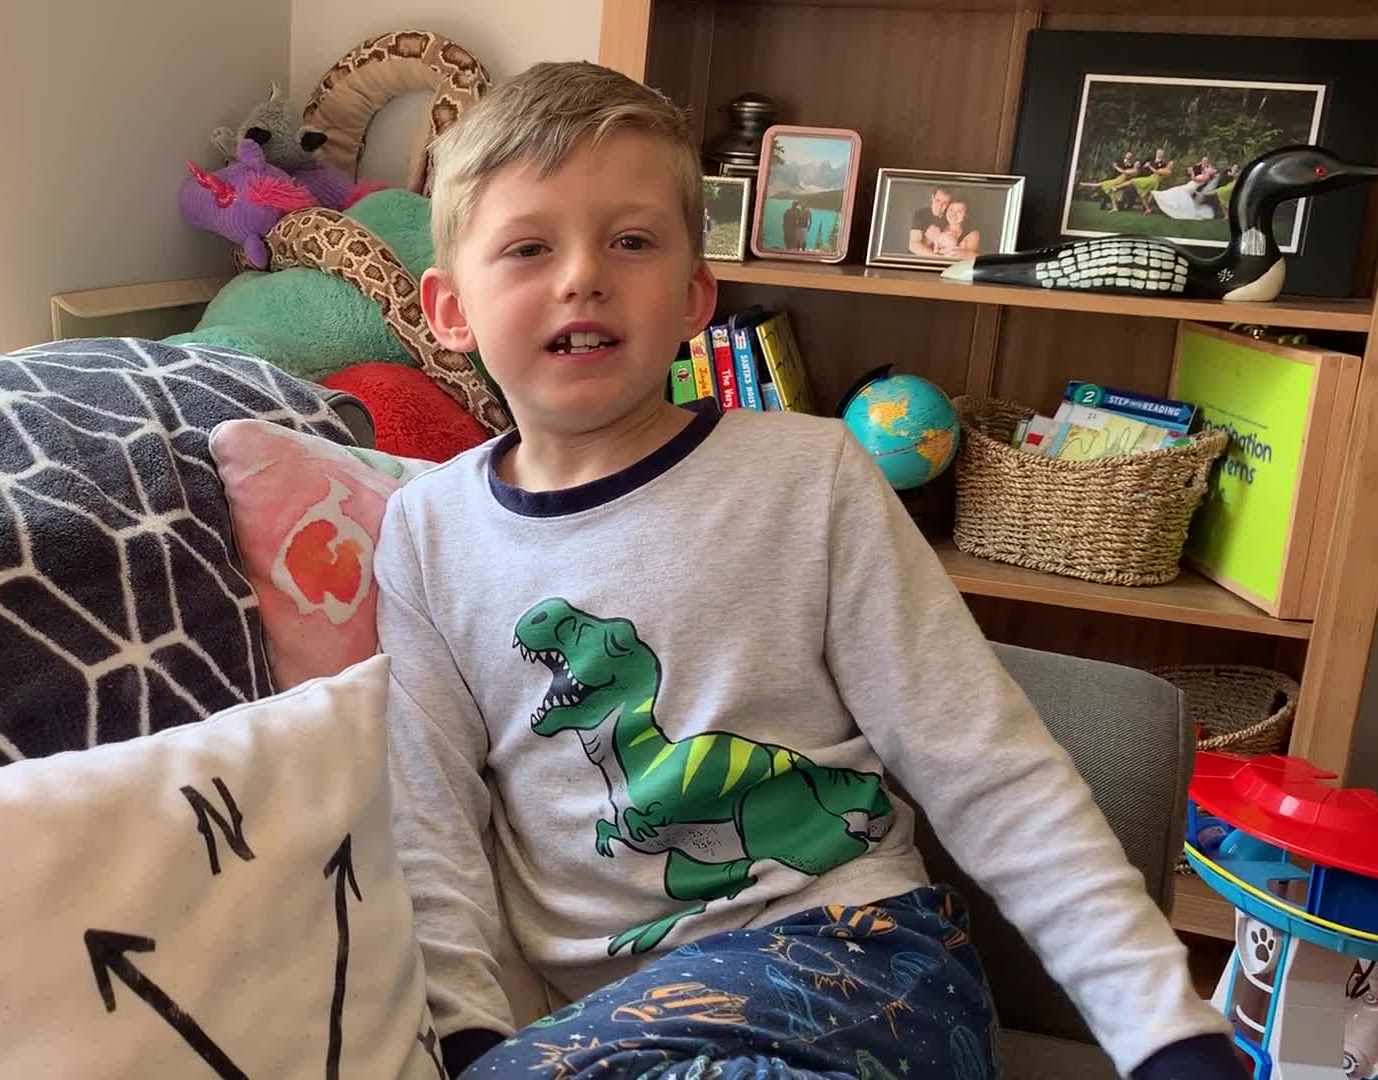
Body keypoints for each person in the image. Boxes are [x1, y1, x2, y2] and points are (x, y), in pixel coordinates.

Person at [378, 58, 1241, 1080]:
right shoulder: (424, 533)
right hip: (616, 1033)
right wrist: (469, 1036)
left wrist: (1164, 1029)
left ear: (695, 295)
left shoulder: (812, 474)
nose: (582, 277)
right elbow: (428, 824)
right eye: (529, 247)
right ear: (450, 310)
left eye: (631, 240)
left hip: (859, 959)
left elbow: (985, 760)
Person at [906, 185, 950, 255]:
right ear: (932, 198)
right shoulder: (921, 214)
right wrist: (937, 258)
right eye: (937, 200)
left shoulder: (950, 217)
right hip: (914, 258)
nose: (940, 206)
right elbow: (913, 246)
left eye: (944, 203)